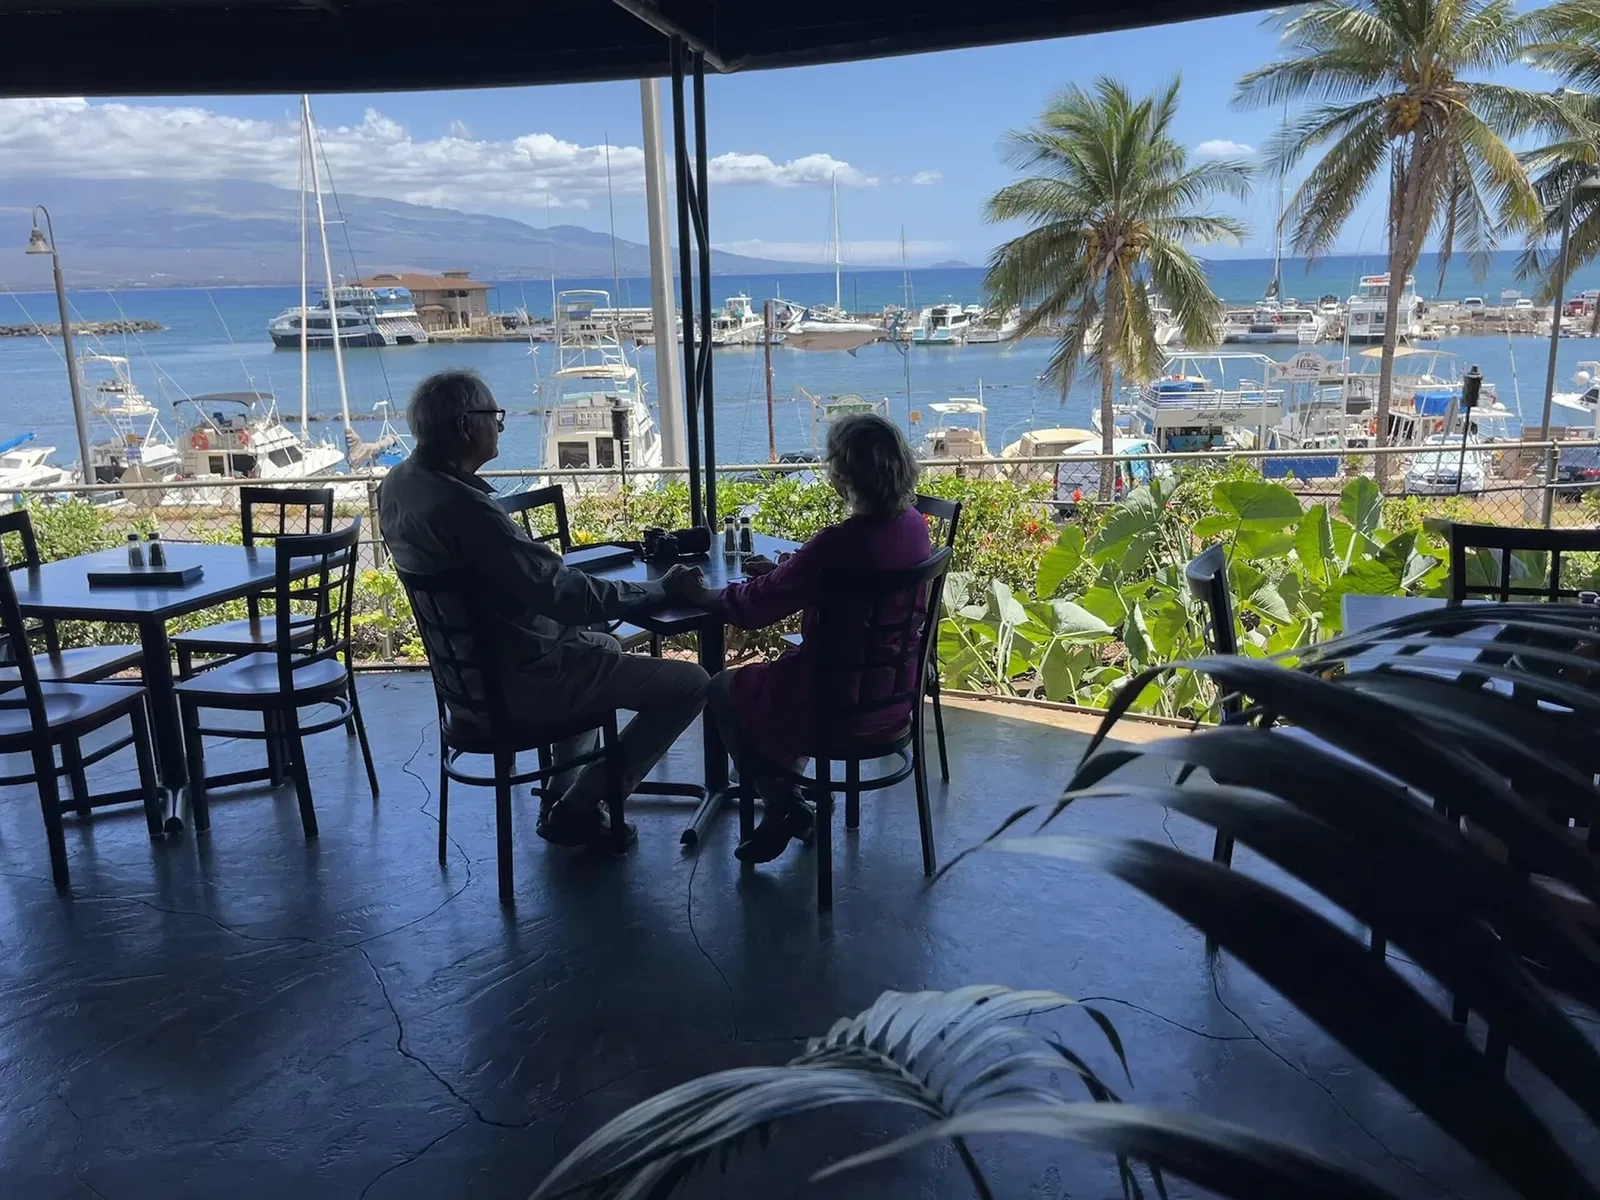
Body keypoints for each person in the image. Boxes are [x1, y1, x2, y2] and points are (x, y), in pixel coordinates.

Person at [378, 370, 708, 851]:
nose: (500, 427)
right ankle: (582, 804)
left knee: (604, 643)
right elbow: (567, 596)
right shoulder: (466, 510)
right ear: (468, 424)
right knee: (691, 684)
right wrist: (659, 591)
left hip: (469, 685)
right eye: (495, 417)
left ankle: (563, 797)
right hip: (525, 683)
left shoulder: (400, 485)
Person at [688, 412, 932, 864]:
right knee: (780, 683)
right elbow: (814, 578)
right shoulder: (915, 525)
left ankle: (784, 802)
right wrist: (787, 574)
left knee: (721, 689)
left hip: (834, 699)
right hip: (895, 690)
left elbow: (757, 607)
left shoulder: (838, 544)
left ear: (843, 476)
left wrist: (702, 594)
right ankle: (790, 804)